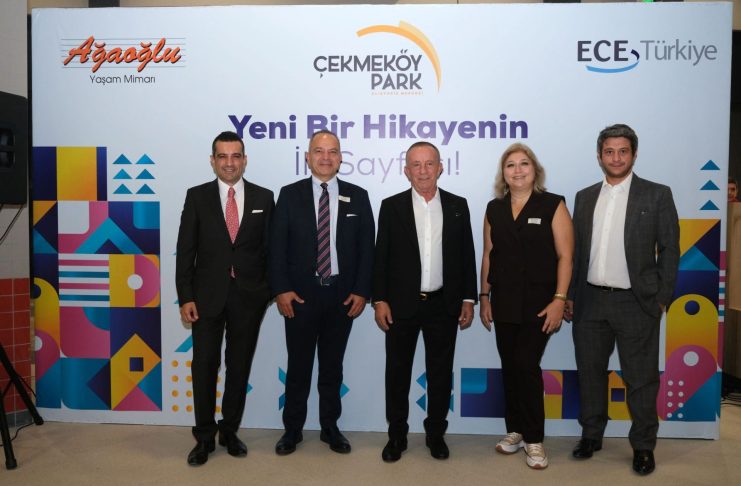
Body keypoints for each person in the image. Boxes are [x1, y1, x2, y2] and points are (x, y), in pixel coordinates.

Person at [564, 124, 679, 475]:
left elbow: (670, 250)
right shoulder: (584, 197)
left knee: (641, 380)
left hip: (637, 303)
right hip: (589, 301)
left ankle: (643, 446)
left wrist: (661, 298)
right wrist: (570, 295)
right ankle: (591, 435)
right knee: (590, 374)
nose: (616, 158)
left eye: (623, 151)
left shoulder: (657, 195)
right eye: (609, 151)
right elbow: (576, 253)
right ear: (600, 156)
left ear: (634, 154)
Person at [269, 130, 375, 456]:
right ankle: (293, 430)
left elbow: (367, 250)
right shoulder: (289, 195)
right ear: (307, 157)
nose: (325, 157)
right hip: (299, 297)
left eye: (332, 151)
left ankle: (330, 427)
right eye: (318, 151)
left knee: (332, 367)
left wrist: (362, 291)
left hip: (342, 297)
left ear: (340, 158)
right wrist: (282, 290)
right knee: (298, 367)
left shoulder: (358, 196)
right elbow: (276, 247)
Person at [373, 141, 477, 462]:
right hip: (401, 305)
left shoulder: (458, 205)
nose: (423, 171)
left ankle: (435, 434)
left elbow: (467, 255)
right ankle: (397, 436)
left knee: (440, 373)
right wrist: (380, 300)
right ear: (406, 171)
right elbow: (381, 257)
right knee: (397, 374)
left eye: (429, 163)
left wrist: (468, 298)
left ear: (440, 167)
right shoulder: (391, 206)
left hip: (443, 304)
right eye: (416, 165)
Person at [175, 130, 274, 466]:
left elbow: (270, 250)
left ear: (245, 160)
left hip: (249, 298)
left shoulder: (264, 197)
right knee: (204, 365)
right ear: (212, 160)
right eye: (222, 156)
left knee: (239, 366)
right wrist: (185, 296)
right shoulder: (197, 197)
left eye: (235, 156)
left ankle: (229, 431)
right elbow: (185, 251)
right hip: (205, 299)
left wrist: (266, 293)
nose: (229, 163)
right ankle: (204, 437)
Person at [479, 143, 574, 470]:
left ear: (535, 170)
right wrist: (484, 297)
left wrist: (559, 299)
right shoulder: (494, 208)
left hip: (540, 303)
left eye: (524, 164)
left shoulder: (553, 204)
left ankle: (534, 439)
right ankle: (516, 429)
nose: (517, 170)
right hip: (503, 300)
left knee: (526, 364)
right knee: (510, 366)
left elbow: (565, 256)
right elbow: (488, 255)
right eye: (510, 165)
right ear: (503, 173)